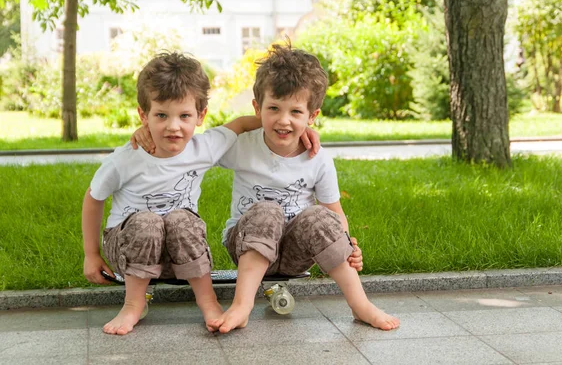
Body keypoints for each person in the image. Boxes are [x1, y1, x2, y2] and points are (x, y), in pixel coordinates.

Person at [207, 43, 400, 333]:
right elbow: (200, 145)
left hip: (295, 254)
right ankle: (241, 306)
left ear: (312, 116)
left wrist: (349, 246)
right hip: (248, 244)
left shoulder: (317, 158)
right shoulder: (242, 146)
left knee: (320, 217)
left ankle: (360, 305)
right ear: (257, 108)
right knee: (266, 211)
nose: (283, 120)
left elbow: (335, 211)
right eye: (273, 108)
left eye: (296, 111)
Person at [82, 52, 266, 336]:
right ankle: (133, 303)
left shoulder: (204, 148)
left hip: (178, 255)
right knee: (147, 221)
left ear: (200, 116)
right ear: (144, 116)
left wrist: (296, 129)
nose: (173, 126)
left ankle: (207, 301)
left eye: (184, 116)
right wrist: (91, 254)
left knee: (182, 219)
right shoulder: (127, 158)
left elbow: (241, 124)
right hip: (130, 250)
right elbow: (94, 198)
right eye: (161, 115)